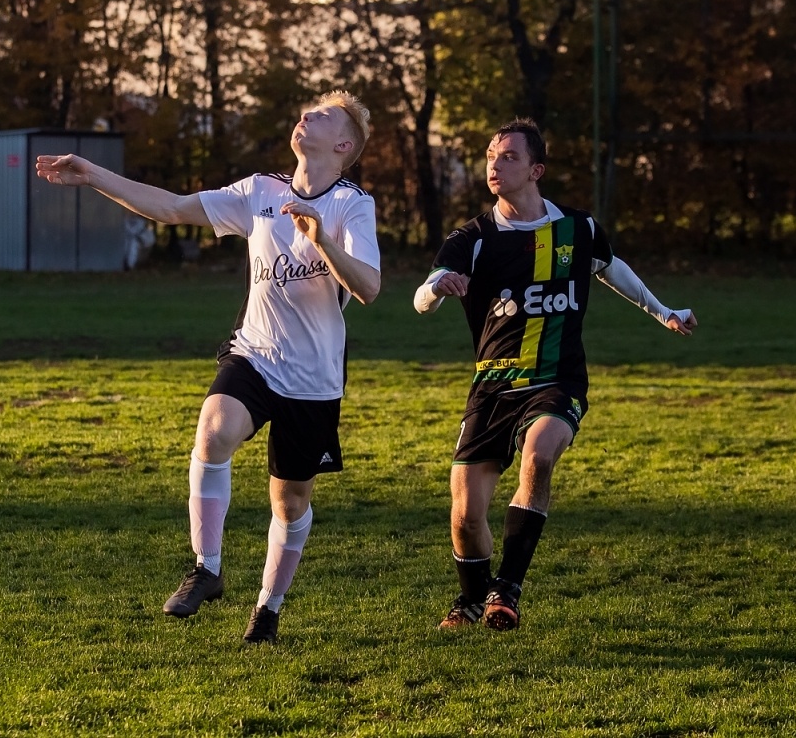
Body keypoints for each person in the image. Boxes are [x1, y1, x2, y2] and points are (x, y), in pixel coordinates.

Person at [35, 92, 381, 644]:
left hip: (315, 381)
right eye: (307, 109)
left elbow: (368, 287)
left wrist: (322, 241)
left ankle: (267, 611)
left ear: (343, 144)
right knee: (214, 427)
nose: (307, 114)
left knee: (290, 503)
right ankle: (207, 568)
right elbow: (171, 207)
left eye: (324, 114)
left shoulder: (351, 205)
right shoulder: (259, 192)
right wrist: (92, 174)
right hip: (256, 356)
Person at [414, 118, 696, 631]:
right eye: (490, 157)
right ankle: (474, 599)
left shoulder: (577, 230)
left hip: (557, 380)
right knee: (465, 516)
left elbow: (613, 269)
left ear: (536, 169)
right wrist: (439, 286)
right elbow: (421, 297)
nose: (494, 166)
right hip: (493, 387)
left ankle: (508, 589)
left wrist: (664, 311)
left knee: (540, 455)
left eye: (508, 157)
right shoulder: (473, 238)